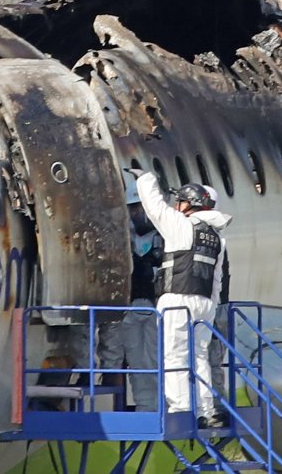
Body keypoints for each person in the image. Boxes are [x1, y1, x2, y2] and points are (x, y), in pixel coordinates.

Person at [128, 169, 232, 428]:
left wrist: (146, 178)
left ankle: (182, 409)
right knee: (199, 357)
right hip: (205, 303)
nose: (177, 205)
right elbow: (217, 278)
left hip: (178, 300)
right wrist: (212, 306)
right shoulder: (217, 238)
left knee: (174, 356)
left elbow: (155, 208)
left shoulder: (181, 225)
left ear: (192, 205)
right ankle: (206, 410)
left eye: (181, 201)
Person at [120, 170, 163, 410]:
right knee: (136, 361)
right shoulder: (126, 239)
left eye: (140, 208)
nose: (137, 214)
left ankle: (162, 404)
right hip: (131, 307)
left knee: (156, 359)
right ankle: (145, 405)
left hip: (157, 308)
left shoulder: (166, 235)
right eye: (132, 209)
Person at [203, 185, 231, 407]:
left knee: (209, 360)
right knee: (212, 363)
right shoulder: (218, 239)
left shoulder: (209, 240)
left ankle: (215, 406)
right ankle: (216, 405)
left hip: (213, 309)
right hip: (217, 307)